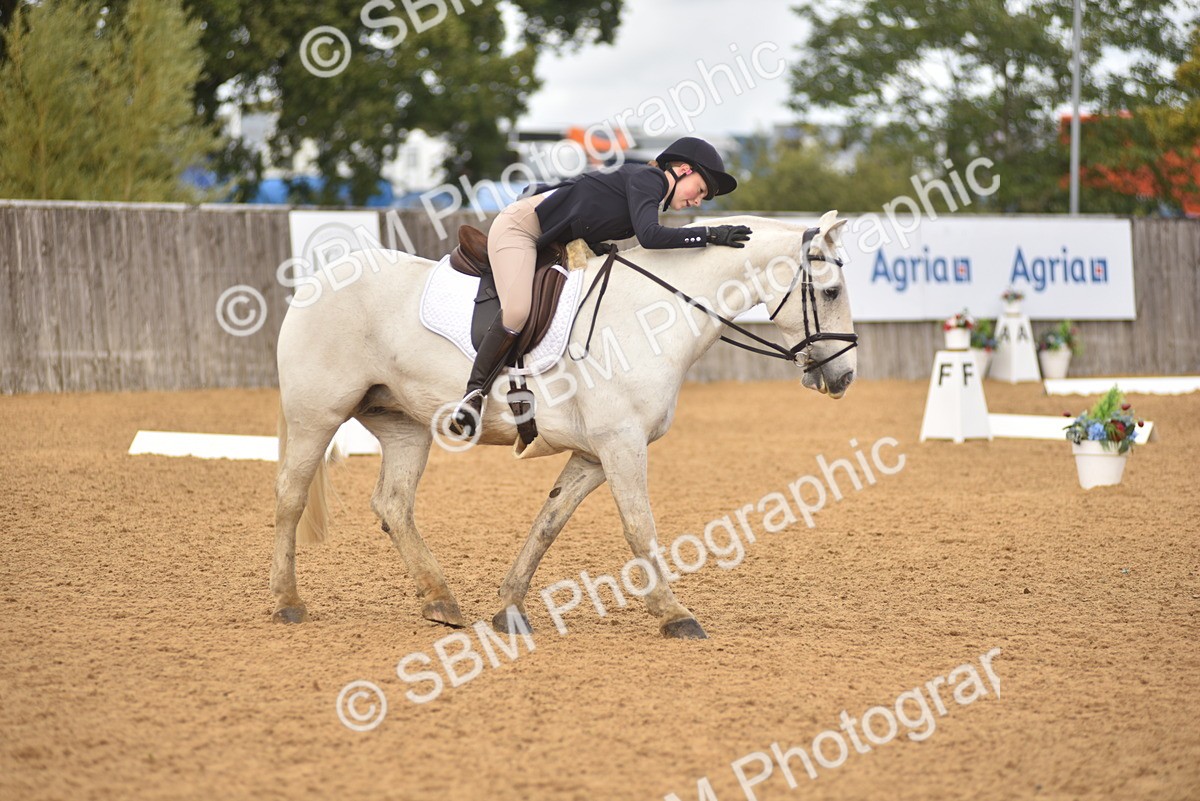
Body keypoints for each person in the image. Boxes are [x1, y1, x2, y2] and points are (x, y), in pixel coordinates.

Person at [449, 135, 752, 437]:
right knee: (517, 311)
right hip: (521, 229)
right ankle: (473, 395)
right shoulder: (650, 179)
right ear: (683, 169)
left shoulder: (646, 186)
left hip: (554, 239)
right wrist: (709, 234)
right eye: (700, 190)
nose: (697, 201)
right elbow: (650, 237)